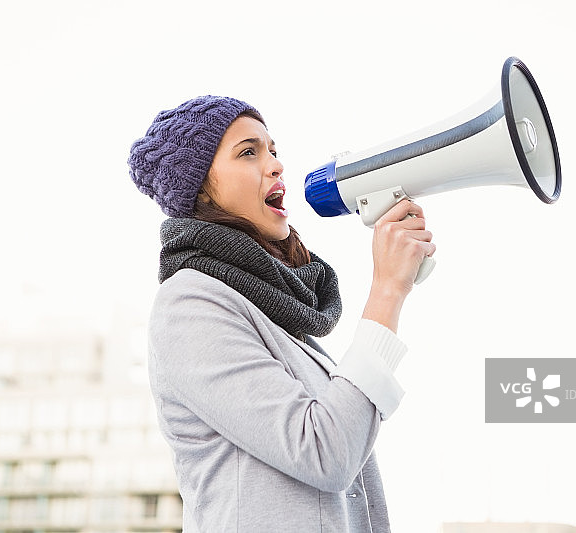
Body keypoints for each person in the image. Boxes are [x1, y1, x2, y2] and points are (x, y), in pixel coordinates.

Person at [127, 95, 435, 532]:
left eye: (273, 150)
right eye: (248, 152)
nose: (275, 165)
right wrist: (388, 290)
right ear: (199, 190)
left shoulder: (277, 319)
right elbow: (324, 452)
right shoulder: (190, 303)